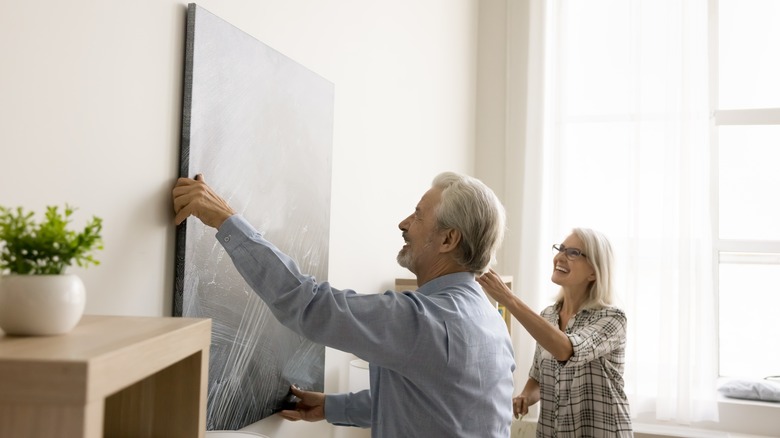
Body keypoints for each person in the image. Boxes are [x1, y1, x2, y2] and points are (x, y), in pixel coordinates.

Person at [172, 171, 516, 437]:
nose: (404, 224)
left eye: (417, 215)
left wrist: (226, 220)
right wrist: (332, 407)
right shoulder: (490, 321)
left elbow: (309, 305)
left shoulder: (427, 320)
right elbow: (429, 404)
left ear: (448, 239)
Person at [477, 228, 632, 437]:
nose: (559, 257)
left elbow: (566, 350)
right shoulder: (548, 316)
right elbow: (538, 378)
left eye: (573, 253)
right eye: (561, 249)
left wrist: (508, 299)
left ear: (594, 272)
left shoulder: (612, 319)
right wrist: (525, 396)